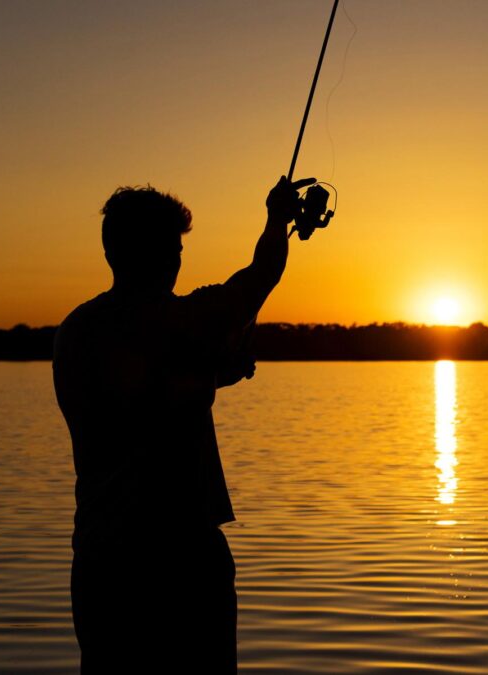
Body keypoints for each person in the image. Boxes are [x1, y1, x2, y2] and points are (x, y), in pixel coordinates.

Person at [52, 175, 315, 673]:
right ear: (149, 253)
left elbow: (139, 395)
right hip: (181, 560)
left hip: (101, 561)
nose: (178, 260)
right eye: (172, 248)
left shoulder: (76, 330)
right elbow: (260, 276)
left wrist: (210, 373)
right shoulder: (180, 320)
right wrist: (276, 219)